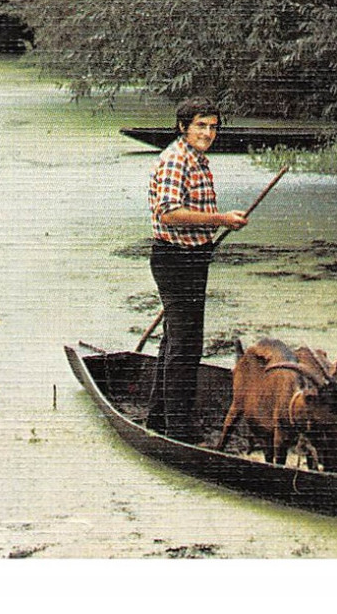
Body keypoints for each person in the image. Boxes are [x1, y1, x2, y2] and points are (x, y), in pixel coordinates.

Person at [146, 97, 248, 443]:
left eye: (213, 126)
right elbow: (169, 213)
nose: (208, 132)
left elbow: (190, 213)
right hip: (174, 259)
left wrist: (214, 229)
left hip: (193, 257)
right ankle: (178, 432)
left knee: (175, 340)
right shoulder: (176, 159)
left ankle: (159, 420)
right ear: (183, 127)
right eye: (201, 125)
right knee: (187, 345)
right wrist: (221, 219)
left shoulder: (197, 159)